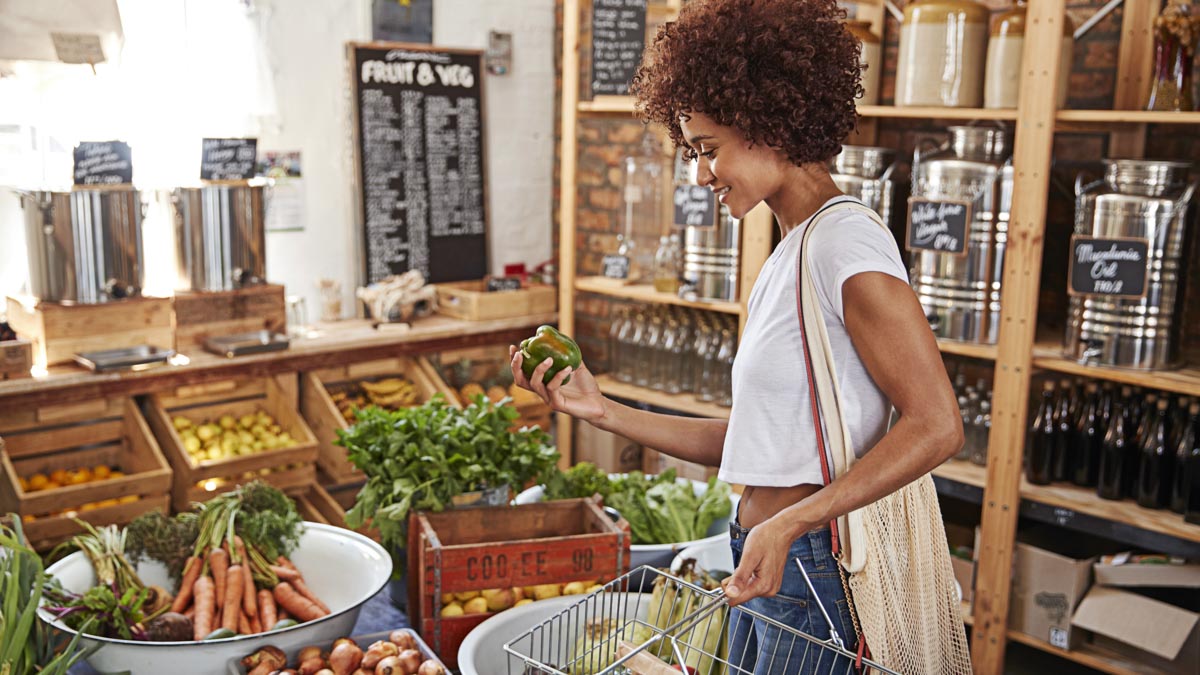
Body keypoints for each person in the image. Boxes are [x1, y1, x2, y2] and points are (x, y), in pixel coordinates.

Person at [513, 0, 964, 672]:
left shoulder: (844, 244)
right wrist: (600, 410)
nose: (699, 174)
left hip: (815, 571)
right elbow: (756, 440)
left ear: (767, 124)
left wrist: (793, 520)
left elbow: (937, 424)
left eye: (708, 149)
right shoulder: (793, 249)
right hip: (768, 554)